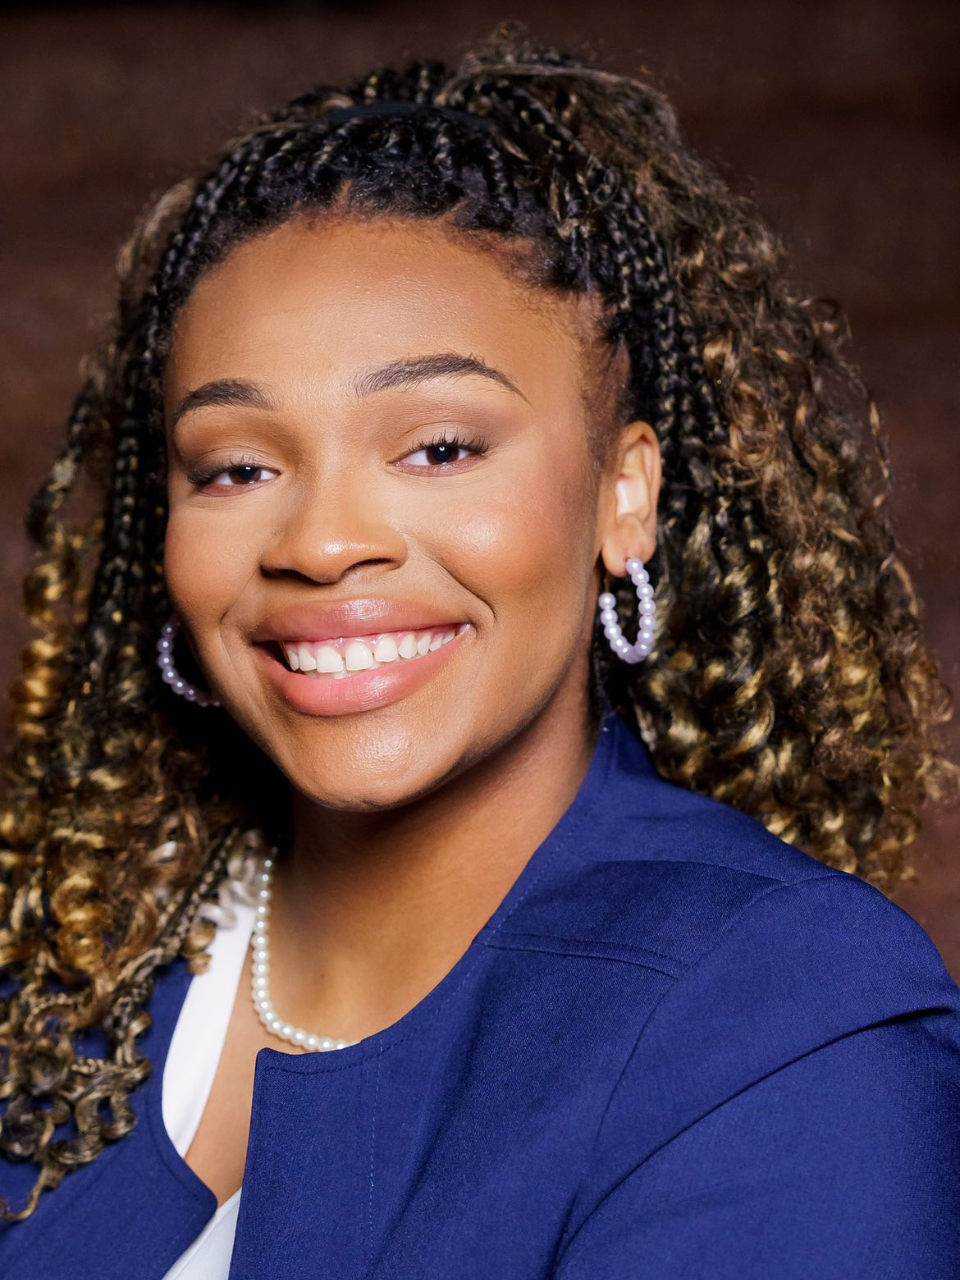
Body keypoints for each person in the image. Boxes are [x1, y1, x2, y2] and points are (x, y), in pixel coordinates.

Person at [1, 25, 959, 1279]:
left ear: (626, 495)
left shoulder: (786, 1021)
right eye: (236, 466)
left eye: (440, 446)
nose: (324, 542)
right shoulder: (63, 973)